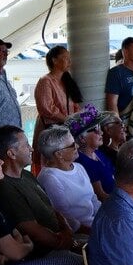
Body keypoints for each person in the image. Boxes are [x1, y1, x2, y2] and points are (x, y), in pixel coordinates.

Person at [0, 126, 78, 255]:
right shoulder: (5, 188)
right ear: (11, 153)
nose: (31, 149)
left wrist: (66, 228)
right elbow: (33, 231)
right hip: (45, 253)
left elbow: (50, 207)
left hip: (62, 238)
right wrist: (65, 242)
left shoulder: (26, 175)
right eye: (26, 145)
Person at [36, 126, 100, 234]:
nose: (78, 146)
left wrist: (105, 218)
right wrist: (95, 231)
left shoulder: (78, 167)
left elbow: (93, 199)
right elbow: (65, 218)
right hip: (78, 233)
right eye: (73, 145)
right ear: (59, 154)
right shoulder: (50, 178)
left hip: (94, 224)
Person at [33, 45, 82, 173]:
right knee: (52, 162)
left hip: (67, 129)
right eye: (66, 58)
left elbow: (75, 105)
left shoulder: (67, 81)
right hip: (51, 130)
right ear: (54, 60)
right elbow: (46, 108)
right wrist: (67, 119)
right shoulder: (46, 81)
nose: (69, 62)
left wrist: (78, 118)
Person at [68, 105, 115, 201]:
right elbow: (101, 196)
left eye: (99, 128)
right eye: (95, 130)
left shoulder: (98, 153)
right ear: (82, 138)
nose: (101, 133)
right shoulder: (83, 162)